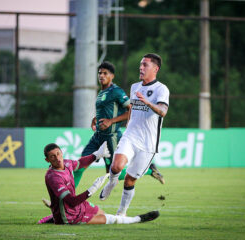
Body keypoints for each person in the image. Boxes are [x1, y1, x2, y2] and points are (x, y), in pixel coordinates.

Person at [73, 61, 165, 189]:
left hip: (111, 137)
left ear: (112, 76)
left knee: (112, 172)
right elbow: (106, 112)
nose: (101, 76)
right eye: (100, 73)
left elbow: (130, 110)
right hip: (98, 136)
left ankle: (150, 171)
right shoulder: (101, 93)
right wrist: (96, 119)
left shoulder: (116, 91)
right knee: (79, 167)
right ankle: (66, 199)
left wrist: (111, 121)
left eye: (105, 73)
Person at [99, 53, 169, 217]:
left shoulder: (161, 89)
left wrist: (147, 102)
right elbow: (131, 109)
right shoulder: (134, 87)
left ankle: (122, 212)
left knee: (130, 180)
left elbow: (163, 111)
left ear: (155, 68)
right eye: (140, 64)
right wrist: (128, 123)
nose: (141, 67)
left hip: (148, 144)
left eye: (145, 65)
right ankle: (111, 183)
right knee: (116, 166)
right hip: (131, 136)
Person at [42, 141, 160, 224]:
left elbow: (80, 163)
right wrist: (91, 190)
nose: (57, 158)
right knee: (110, 220)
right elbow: (71, 202)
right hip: (69, 216)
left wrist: (96, 155)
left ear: (61, 152)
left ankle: (54, 215)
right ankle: (138, 219)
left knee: (101, 213)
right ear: (47, 160)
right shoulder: (54, 178)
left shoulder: (66, 163)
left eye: (58, 154)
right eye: (52, 157)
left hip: (78, 206)